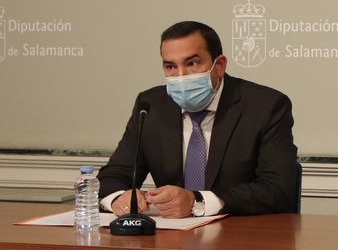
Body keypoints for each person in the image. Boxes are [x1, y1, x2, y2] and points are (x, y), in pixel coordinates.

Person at [99, 21, 298, 218]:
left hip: (239, 236)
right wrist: (119, 198)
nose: (181, 76)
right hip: (171, 238)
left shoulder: (265, 106)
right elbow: (112, 177)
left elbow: (278, 190)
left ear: (219, 65)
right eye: (170, 66)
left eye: (192, 63)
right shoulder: (151, 106)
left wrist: (197, 202)